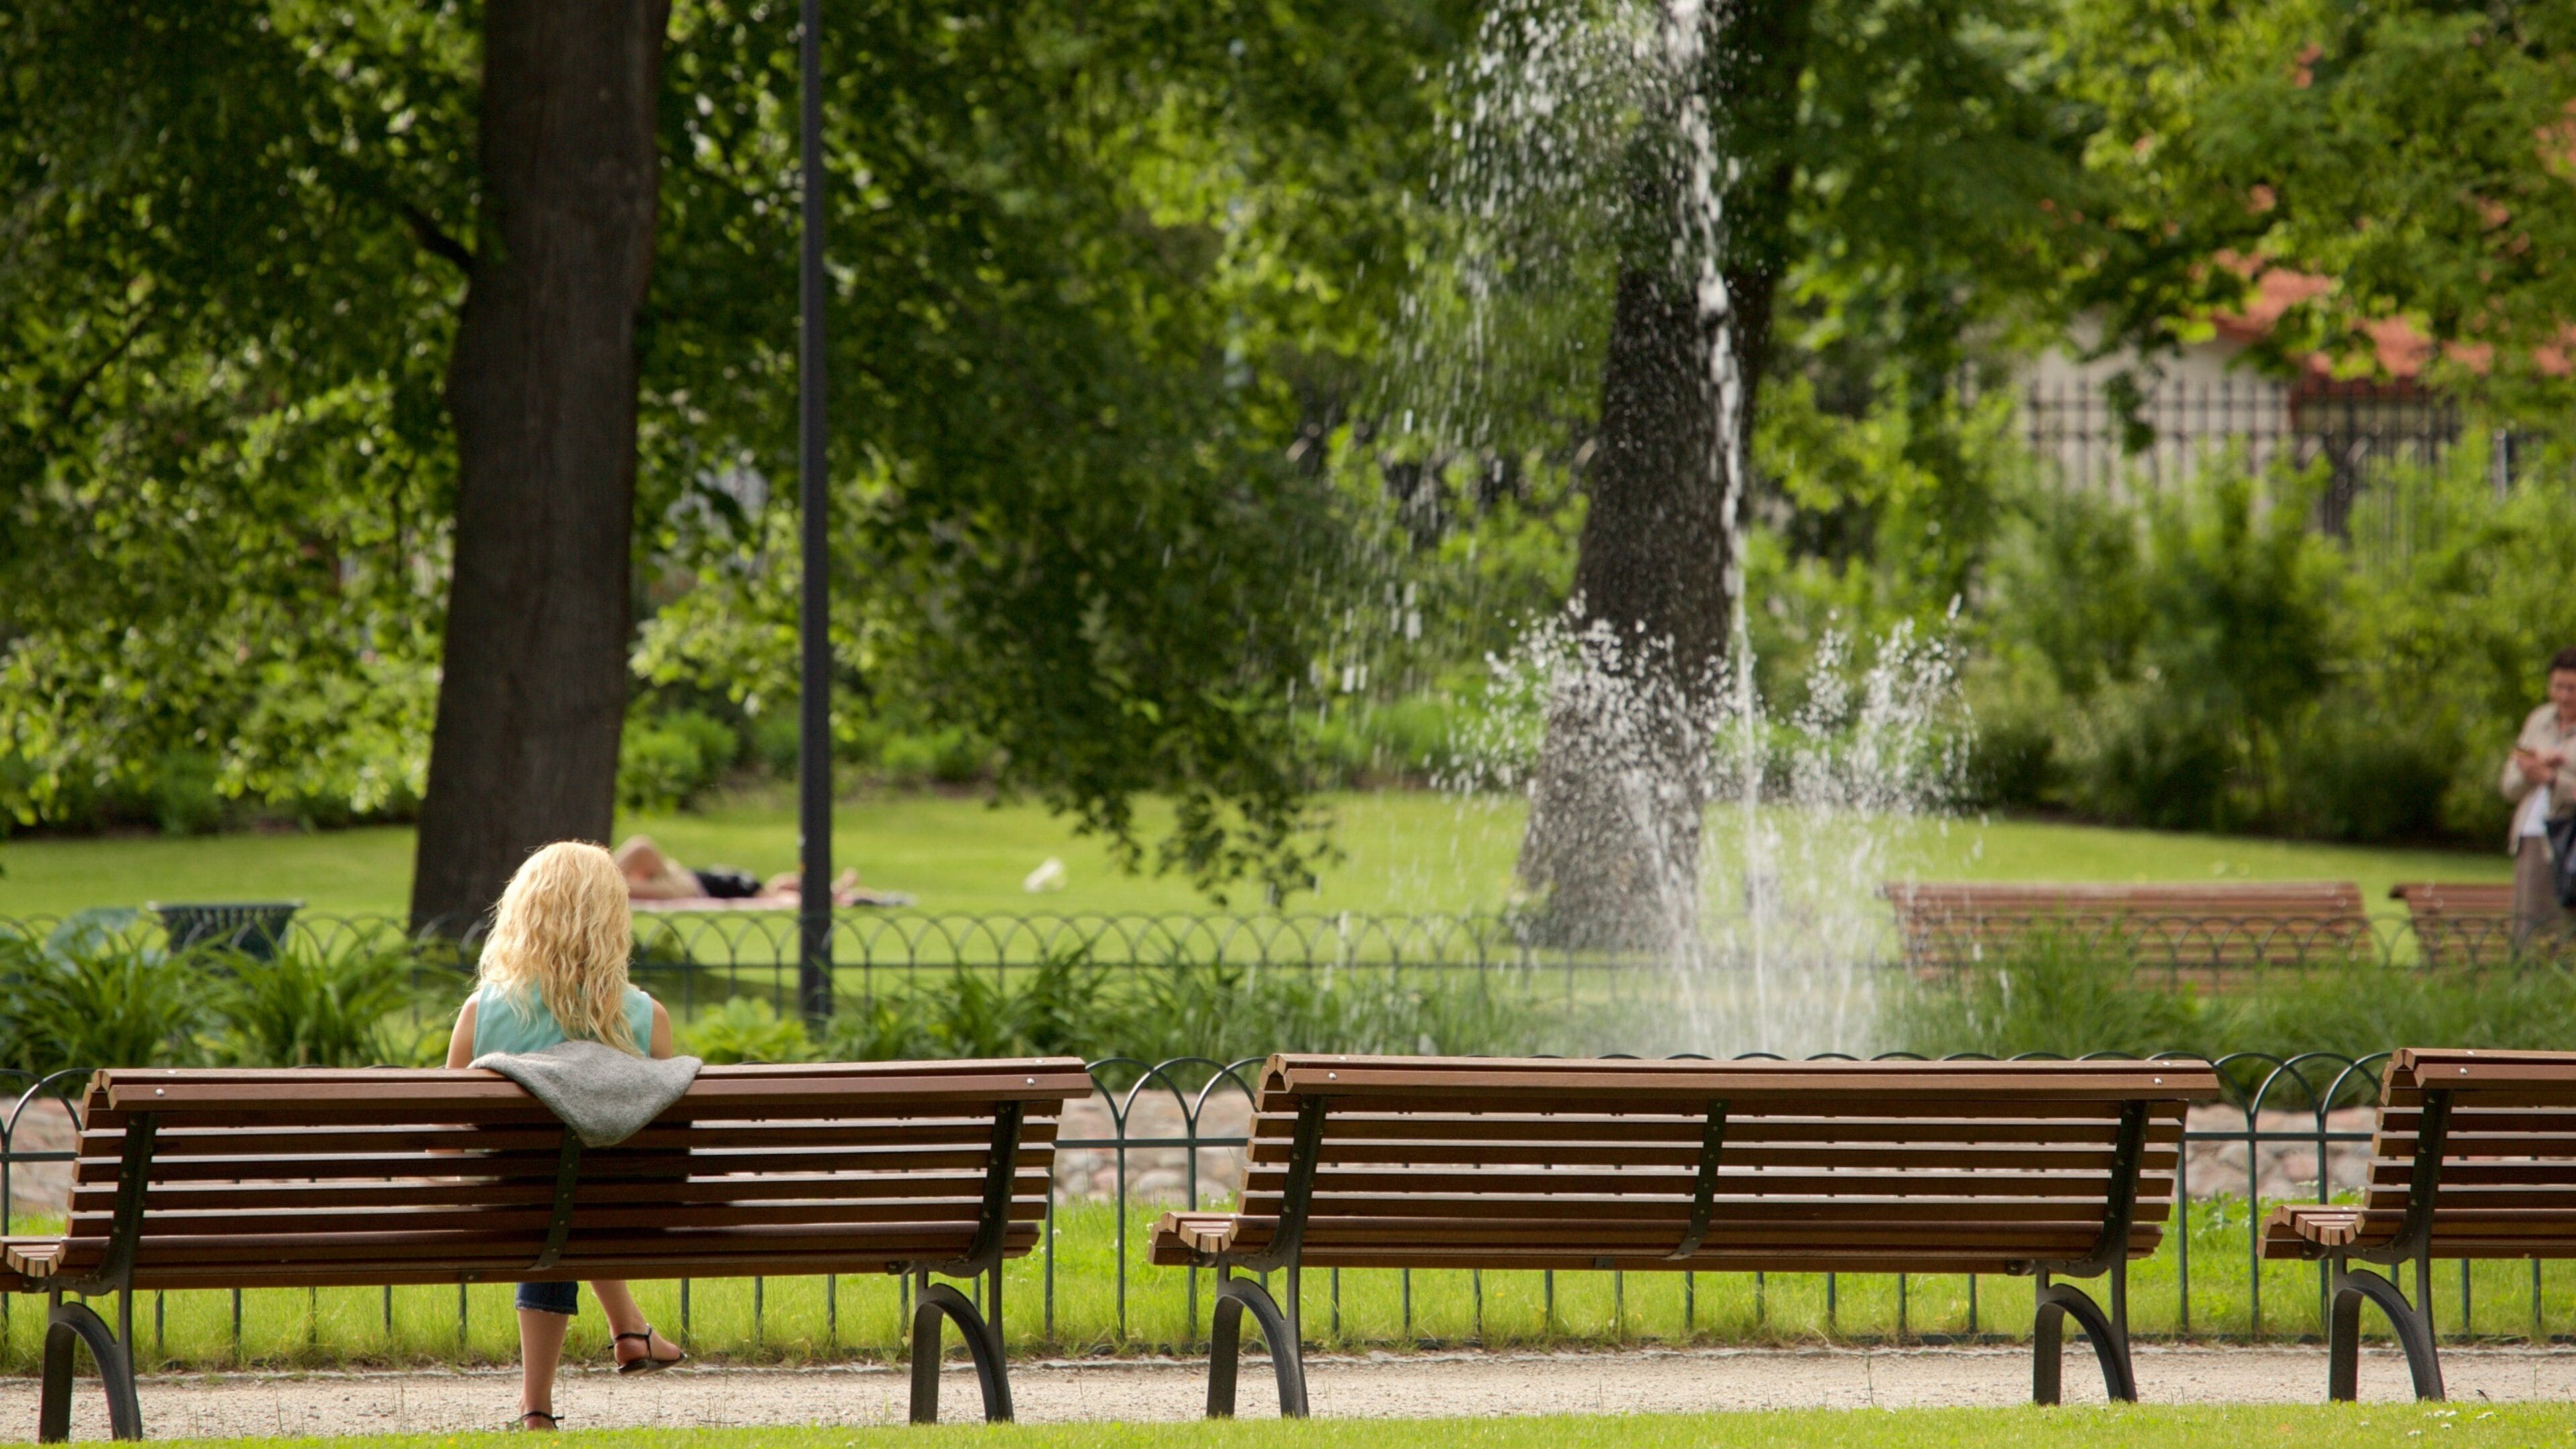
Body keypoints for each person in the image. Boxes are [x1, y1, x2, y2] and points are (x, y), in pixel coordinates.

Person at [446, 841, 686, 1431]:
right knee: (577, 1184)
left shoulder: (482, 1013)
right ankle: (629, 1330)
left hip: (508, 1206)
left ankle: (538, 1406)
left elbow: (444, 1143)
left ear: (522, 914)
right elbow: (658, 1139)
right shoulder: (645, 1016)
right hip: (618, 1209)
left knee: (554, 1191)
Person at [2500, 646, 2576, 947]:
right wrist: (2532, 768)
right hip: (2532, 837)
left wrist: (2553, 779)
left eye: (2572, 689)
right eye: (2558, 687)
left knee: (2562, 931)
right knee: (2528, 932)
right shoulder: (2538, 720)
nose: (2564, 696)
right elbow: (2509, 786)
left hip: (2568, 840)